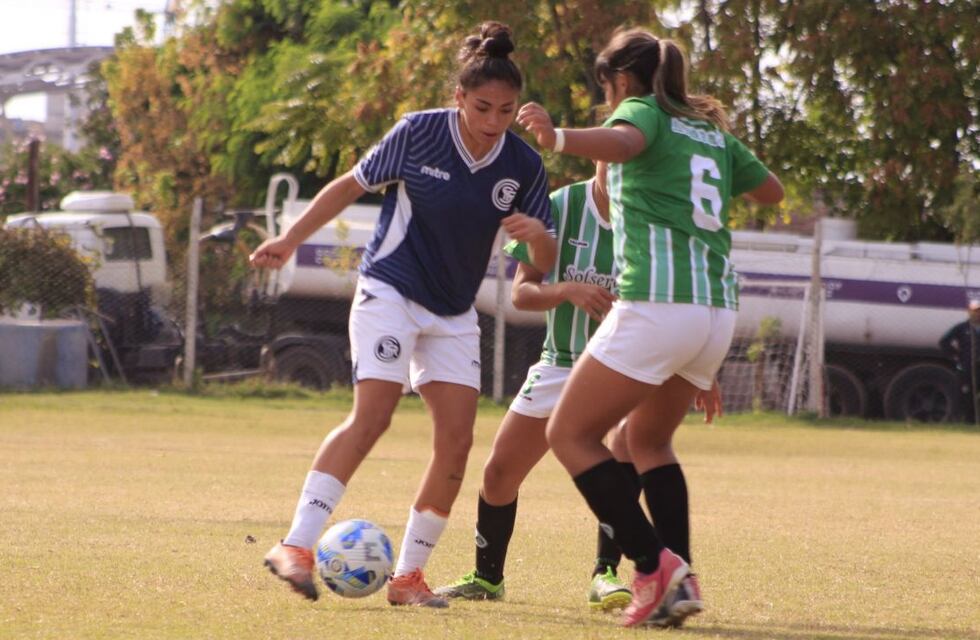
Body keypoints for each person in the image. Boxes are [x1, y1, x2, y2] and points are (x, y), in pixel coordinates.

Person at [251, 21, 557, 608]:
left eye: (506, 109)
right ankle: (295, 546)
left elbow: (540, 261)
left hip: (453, 312)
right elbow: (349, 185)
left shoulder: (522, 164)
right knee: (374, 417)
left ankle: (409, 577)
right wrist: (290, 239)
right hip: (390, 289)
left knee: (458, 442)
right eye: (482, 107)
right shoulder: (418, 132)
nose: (493, 120)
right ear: (460, 98)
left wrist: (538, 234)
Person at [517, 27, 783, 627]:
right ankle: (680, 581)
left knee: (569, 435)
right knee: (648, 442)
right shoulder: (710, 129)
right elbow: (772, 191)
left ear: (623, 79)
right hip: (716, 311)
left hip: (660, 303)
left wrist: (558, 136)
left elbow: (624, 139)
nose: (608, 98)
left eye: (606, 85)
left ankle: (651, 566)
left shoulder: (642, 111)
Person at [435, 163, 721, 627]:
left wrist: (701, 368)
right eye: (613, 160)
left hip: (629, 366)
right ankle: (487, 578)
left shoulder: (652, 212)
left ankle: (607, 573)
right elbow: (522, 294)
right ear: (598, 159)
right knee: (499, 471)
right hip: (562, 360)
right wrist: (567, 290)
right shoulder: (561, 207)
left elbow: (679, 301)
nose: (622, 170)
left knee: (622, 447)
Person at [939, 299, 980, 421]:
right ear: (969, 312)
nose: (977, 314)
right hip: (968, 367)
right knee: (967, 395)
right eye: (975, 311)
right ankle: (969, 421)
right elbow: (944, 341)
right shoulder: (962, 328)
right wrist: (956, 356)